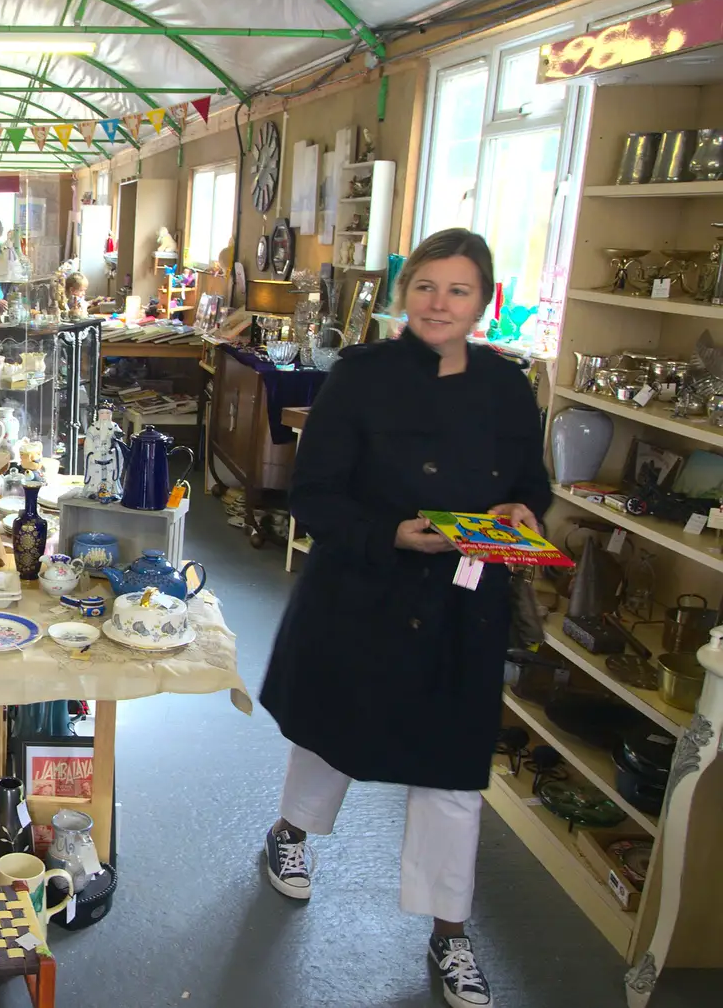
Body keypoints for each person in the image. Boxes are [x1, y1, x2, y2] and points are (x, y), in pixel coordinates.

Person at [258, 228, 550, 1008]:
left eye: (458, 290)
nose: (439, 303)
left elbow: (532, 484)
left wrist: (524, 508)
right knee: (334, 733)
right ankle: (289, 837)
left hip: (462, 600)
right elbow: (313, 495)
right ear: (404, 293)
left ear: (483, 303)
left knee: (453, 769)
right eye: (426, 286)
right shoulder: (360, 379)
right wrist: (388, 532)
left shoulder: (508, 388)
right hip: (365, 587)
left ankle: (451, 932)